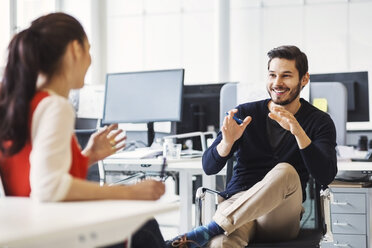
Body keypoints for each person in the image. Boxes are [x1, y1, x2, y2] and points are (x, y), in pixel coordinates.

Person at [0, 12, 166, 248]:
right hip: (54, 234)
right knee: (144, 227)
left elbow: (31, 173)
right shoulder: (56, 106)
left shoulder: (18, 103)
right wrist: (130, 193)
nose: (90, 60)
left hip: (27, 231)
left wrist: (87, 157)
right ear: (75, 50)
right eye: (89, 50)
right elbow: (48, 187)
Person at [166, 45, 338, 248]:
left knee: (285, 171)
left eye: (286, 76)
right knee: (220, 244)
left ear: (304, 79)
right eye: (272, 75)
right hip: (238, 205)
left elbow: (326, 175)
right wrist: (227, 143)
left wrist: (298, 132)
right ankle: (214, 231)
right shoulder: (245, 113)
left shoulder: (319, 121)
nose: (277, 83)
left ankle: (211, 228)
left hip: (279, 214)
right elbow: (209, 167)